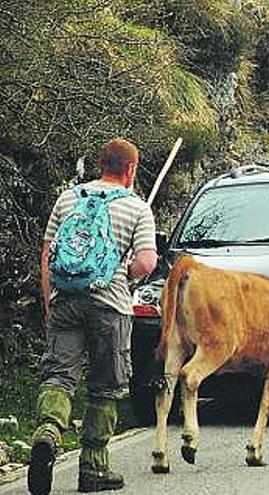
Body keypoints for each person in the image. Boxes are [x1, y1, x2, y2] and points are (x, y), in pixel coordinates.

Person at [29, 138, 158, 494]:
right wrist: (128, 271)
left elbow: (48, 255)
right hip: (109, 306)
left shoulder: (68, 199)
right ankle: (94, 469)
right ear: (130, 169)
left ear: (100, 164)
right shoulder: (136, 207)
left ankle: (48, 432)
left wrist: (49, 301)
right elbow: (147, 262)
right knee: (106, 386)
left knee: (58, 375)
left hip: (64, 300)